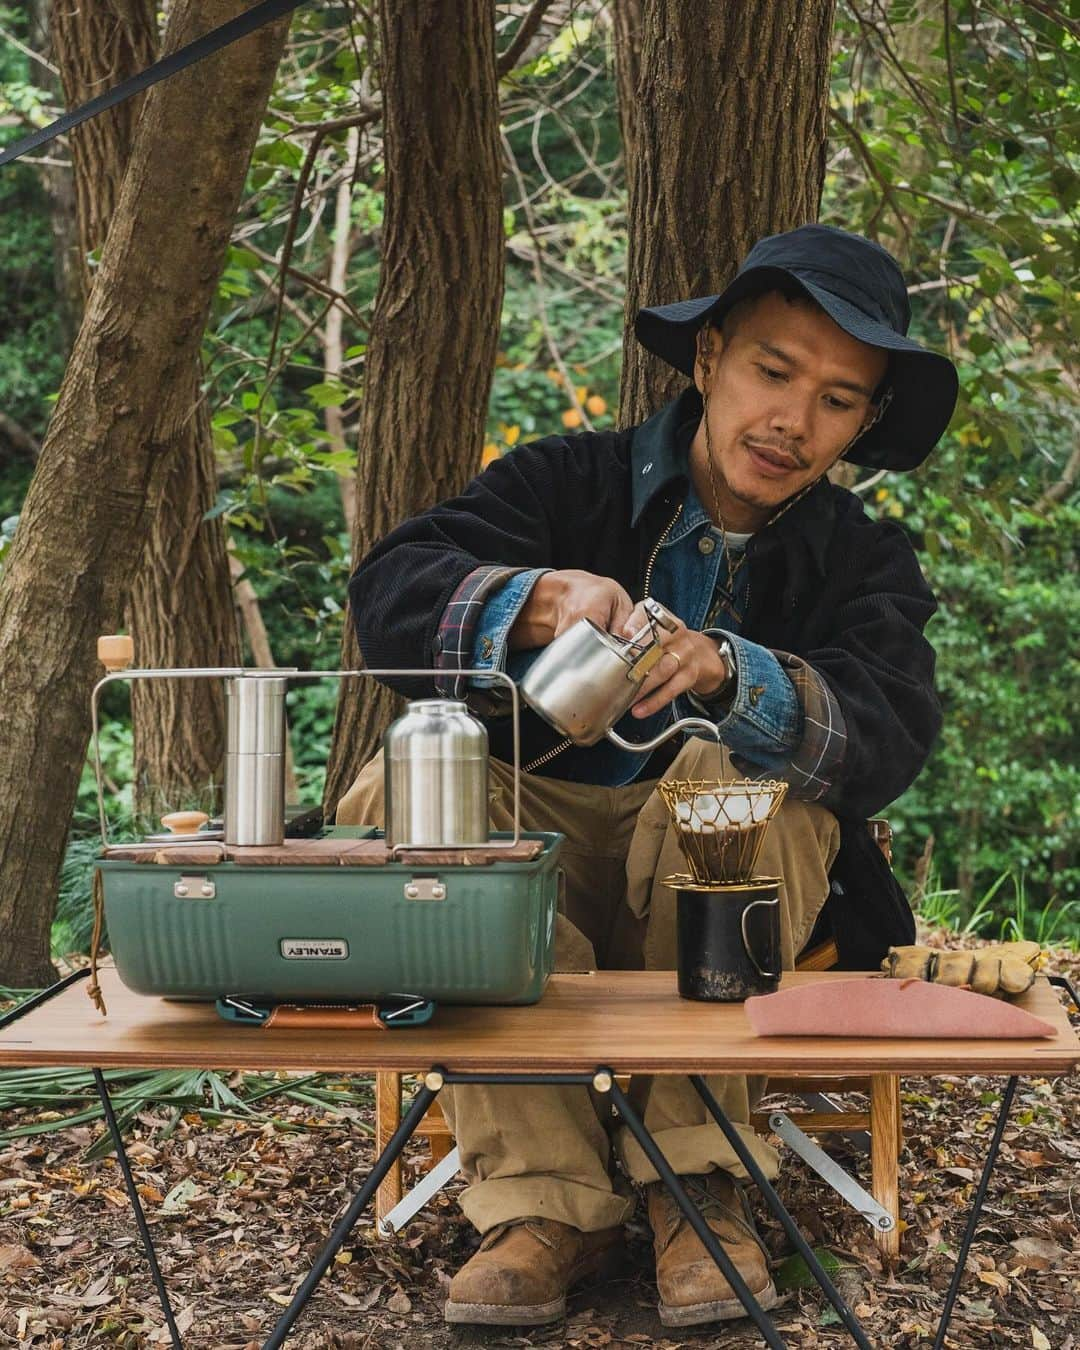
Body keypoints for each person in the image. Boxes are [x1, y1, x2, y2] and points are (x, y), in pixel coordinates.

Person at [338, 223, 959, 1327]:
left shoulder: (865, 557)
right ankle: (546, 1202)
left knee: (723, 771)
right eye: (774, 371)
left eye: (835, 399)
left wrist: (733, 674)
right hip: (539, 878)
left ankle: (699, 1181)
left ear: (864, 422)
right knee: (410, 783)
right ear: (711, 357)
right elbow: (390, 591)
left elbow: (892, 732)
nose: (790, 421)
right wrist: (531, 599)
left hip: (738, 888)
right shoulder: (561, 480)